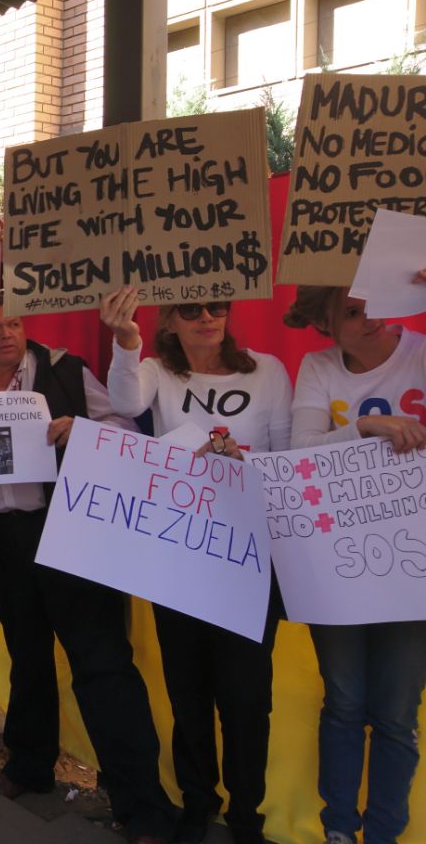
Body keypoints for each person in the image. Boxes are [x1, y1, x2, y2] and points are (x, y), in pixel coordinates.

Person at [0, 289, 175, 844]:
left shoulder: (64, 371)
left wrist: (82, 431)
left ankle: (142, 808)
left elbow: (126, 426)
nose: (7, 334)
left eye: (15, 324)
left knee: (102, 665)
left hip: (70, 538)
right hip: (3, 543)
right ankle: (29, 766)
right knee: (29, 658)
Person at [101, 287, 293, 844]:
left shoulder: (269, 371)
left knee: (247, 695)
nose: (207, 318)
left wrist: (243, 460)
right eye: (191, 309)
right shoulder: (158, 371)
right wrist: (125, 342)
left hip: (249, 555)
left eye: (217, 306)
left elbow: (284, 457)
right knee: (188, 688)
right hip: (179, 551)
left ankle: (245, 815)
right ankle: (197, 800)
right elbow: (127, 403)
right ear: (171, 320)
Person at [282, 283, 426, 844]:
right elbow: (298, 454)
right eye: (351, 313)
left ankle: (385, 833)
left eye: (372, 306)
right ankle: (339, 828)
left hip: (412, 569)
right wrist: (367, 428)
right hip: (336, 566)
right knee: (343, 704)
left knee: (396, 714)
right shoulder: (318, 369)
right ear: (327, 325)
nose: (369, 320)